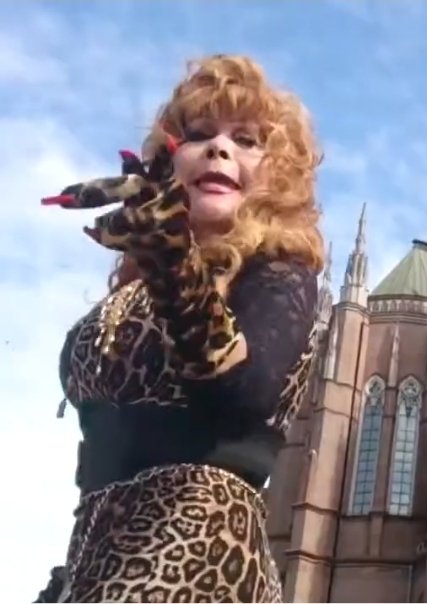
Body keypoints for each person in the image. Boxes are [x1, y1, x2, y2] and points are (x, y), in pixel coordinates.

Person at [37, 54, 325, 602]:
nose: (219, 148)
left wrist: (172, 259)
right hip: (97, 566)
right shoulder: (136, 285)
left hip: (200, 565)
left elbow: (241, 392)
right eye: (199, 134)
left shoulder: (279, 273)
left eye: (247, 140)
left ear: (277, 176)